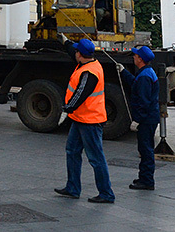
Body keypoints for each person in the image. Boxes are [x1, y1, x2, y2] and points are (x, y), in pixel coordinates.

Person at [56, 38, 115, 203]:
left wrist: (67, 108)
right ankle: (73, 188)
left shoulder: (89, 72)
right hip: (81, 118)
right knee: (72, 151)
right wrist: (66, 41)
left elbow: (80, 94)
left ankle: (106, 194)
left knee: (96, 157)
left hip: (90, 120)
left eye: (76, 51)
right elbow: (71, 51)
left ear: (79, 54)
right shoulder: (89, 63)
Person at [120, 45, 160, 191]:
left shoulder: (144, 77)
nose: (134, 57)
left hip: (146, 119)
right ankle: (144, 177)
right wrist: (124, 72)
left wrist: (138, 120)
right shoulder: (146, 73)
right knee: (145, 148)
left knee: (146, 149)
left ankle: (147, 181)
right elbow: (135, 84)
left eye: (136, 55)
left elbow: (143, 102)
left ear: (141, 59)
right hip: (150, 118)